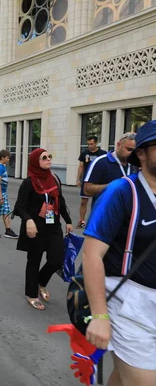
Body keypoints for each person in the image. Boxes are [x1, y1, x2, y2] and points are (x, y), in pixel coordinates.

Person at [83, 120, 156, 386]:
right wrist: (100, 316)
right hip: (128, 303)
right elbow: (91, 255)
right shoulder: (121, 191)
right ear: (142, 153)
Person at [14, 148, 73, 311]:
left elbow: (60, 201)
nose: (48, 160)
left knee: (57, 258)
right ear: (35, 162)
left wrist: (68, 220)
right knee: (34, 260)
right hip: (35, 227)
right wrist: (29, 220)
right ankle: (32, 293)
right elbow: (19, 207)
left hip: (53, 225)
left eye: (49, 156)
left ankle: (40, 281)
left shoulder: (54, 178)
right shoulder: (29, 182)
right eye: (44, 158)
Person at [83, 132, 137, 204]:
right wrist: (114, 185)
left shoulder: (136, 164)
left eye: (135, 151)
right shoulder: (100, 162)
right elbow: (87, 190)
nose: (132, 153)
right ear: (118, 145)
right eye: (129, 149)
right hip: (105, 212)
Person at [76, 136, 107, 228]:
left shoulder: (103, 154)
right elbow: (81, 166)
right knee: (83, 202)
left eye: (91, 144)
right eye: (88, 144)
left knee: (98, 202)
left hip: (99, 182)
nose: (89, 146)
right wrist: (78, 179)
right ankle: (81, 221)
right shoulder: (84, 153)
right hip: (87, 181)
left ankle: (96, 222)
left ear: (96, 143)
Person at [0, 150, 18, 239]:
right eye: (7, 158)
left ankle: (8, 230)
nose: (9, 159)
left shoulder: (2, 167)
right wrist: (1, 197)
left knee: (5, 210)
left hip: (2, 192)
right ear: (2, 158)